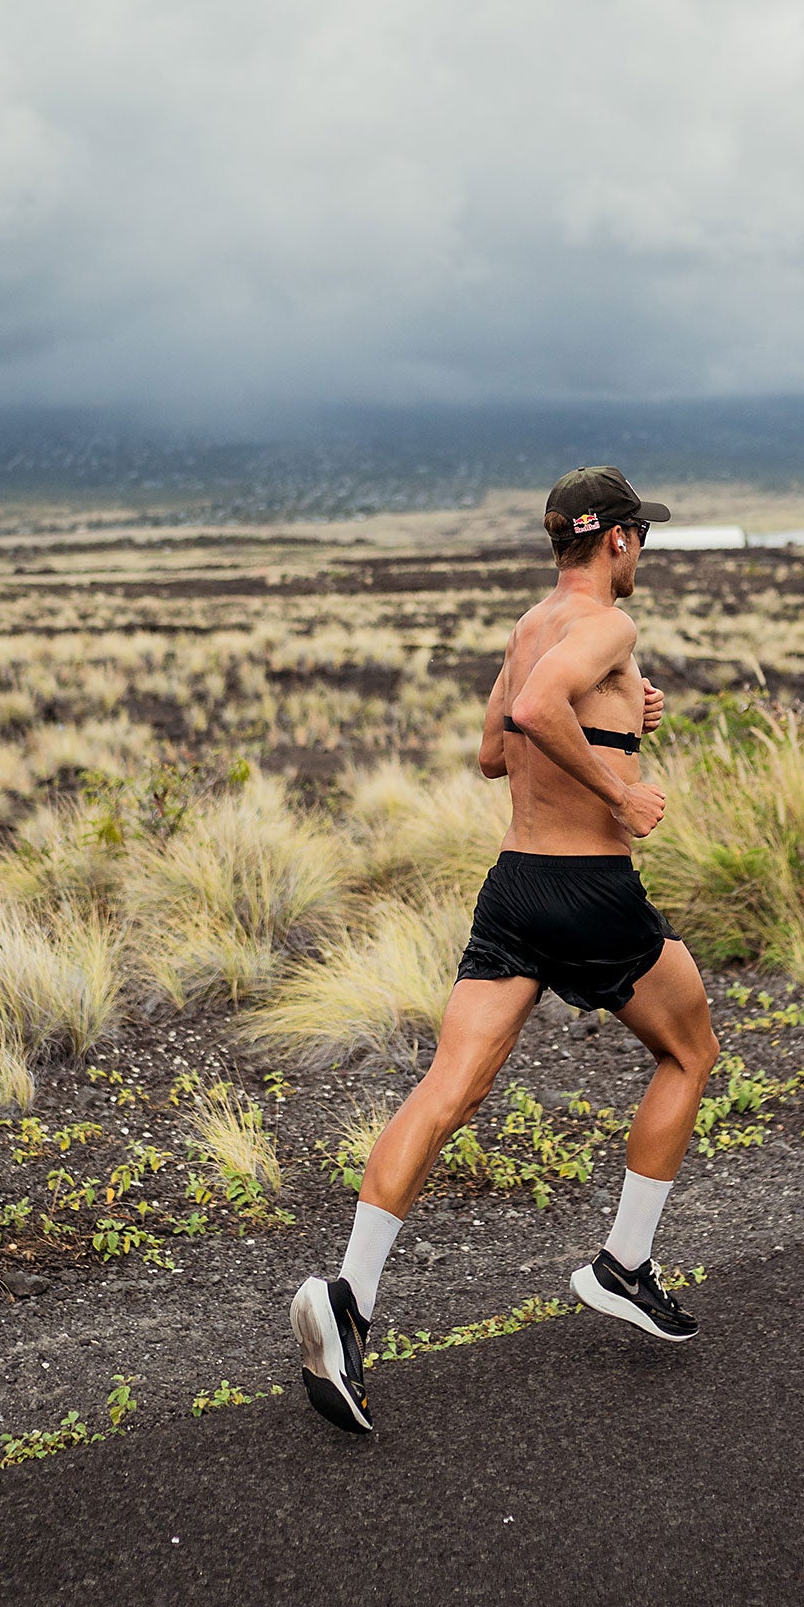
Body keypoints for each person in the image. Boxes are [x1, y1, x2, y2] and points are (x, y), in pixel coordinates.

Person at [290, 465, 721, 1433]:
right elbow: (532, 718)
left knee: (449, 1088)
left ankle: (349, 1300)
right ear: (613, 539)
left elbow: (496, 746)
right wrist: (622, 792)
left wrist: (618, 723)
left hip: (515, 886)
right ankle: (626, 1262)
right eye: (638, 534)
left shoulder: (532, 626)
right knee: (691, 1050)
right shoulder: (611, 623)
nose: (641, 550)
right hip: (589, 888)